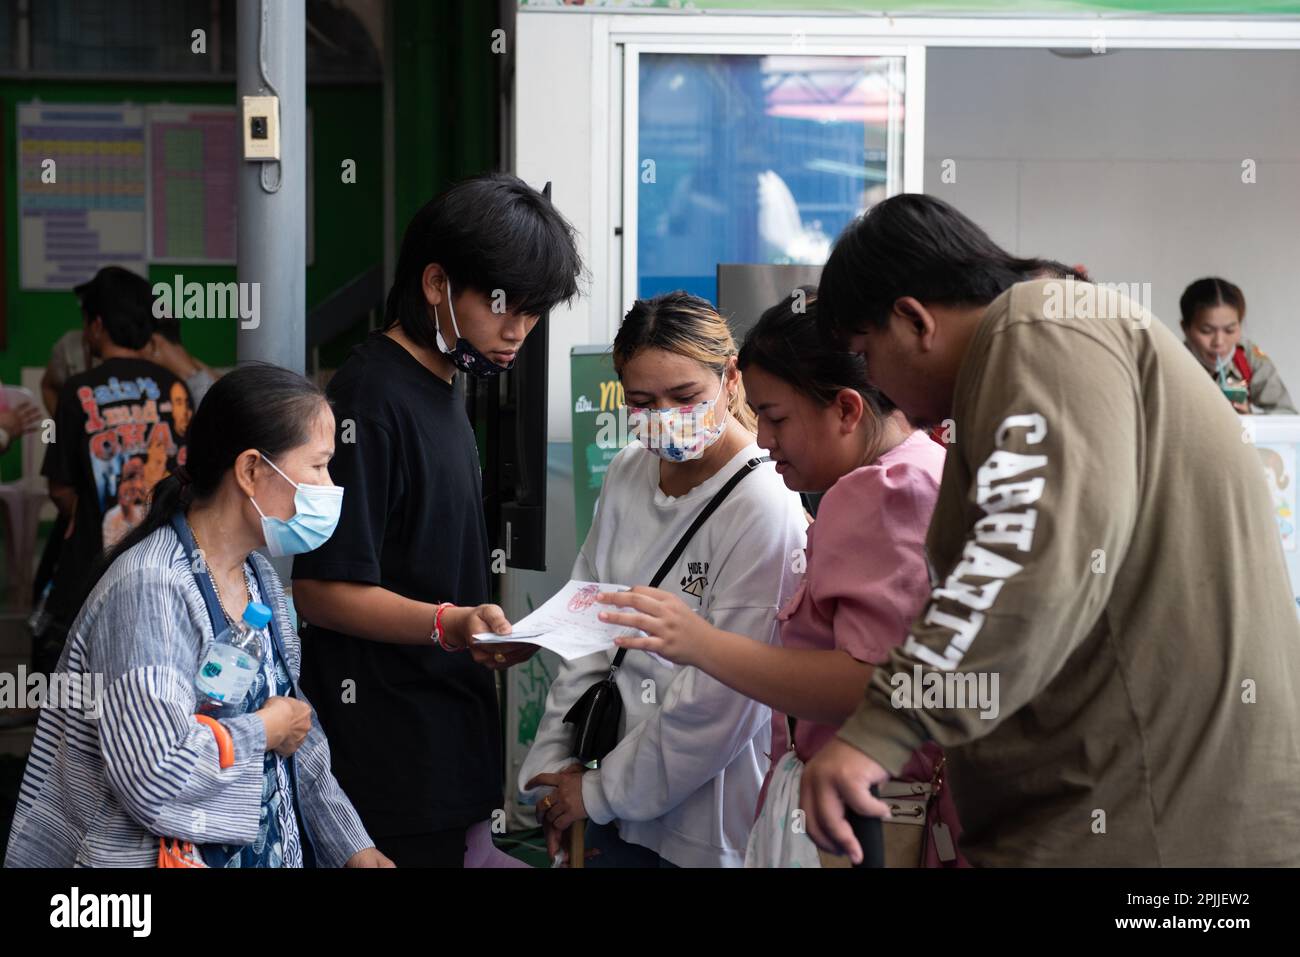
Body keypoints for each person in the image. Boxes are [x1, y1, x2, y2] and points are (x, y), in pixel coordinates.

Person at [798, 193, 1300, 866]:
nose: (875, 381)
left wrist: (881, 730)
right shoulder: (1034, 353)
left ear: (913, 319)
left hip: (1151, 832)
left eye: (865, 353)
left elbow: (1023, 558)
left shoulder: (1038, 330)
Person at [598, 290, 963, 867]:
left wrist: (701, 643)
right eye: (642, 401)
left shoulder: (883, 492)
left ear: (846, 409)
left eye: (775, 417)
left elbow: (873, 680)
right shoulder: (915, 471)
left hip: (868, 815)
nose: (764, 440)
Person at [291, 173, 583, 868]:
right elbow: (321, 590)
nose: (518, 330)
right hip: (389, 759)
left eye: (535, 312)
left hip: (445, 751)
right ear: (435, 284)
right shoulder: (371, 394)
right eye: (502, 304)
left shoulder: (447, 386)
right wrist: (447, 622)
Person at [5, 364, 390, 868]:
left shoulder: (258, 577)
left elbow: (296, 726)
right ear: (251, 470)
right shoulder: (150, 590)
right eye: (318, 467)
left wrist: (352, 846)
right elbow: (155, 777)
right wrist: (261, 731)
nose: (330, 486)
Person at [519, 292, 807, 868]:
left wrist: (598, 793)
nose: (665, 417)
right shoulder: (630, 469)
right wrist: (558, 772)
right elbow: (588, 629)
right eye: (642, 401)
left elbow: (724, 700)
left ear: (730, 379)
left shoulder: (765, 503)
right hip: (602, 798)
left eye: (685, 396)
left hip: (703, 819)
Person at [36, 266, 193, 676]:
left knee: (82, 675)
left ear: (97, 326)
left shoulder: (79, 391)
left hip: (91, 569)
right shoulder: (177, 389)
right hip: (169, 562)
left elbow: (60, 488)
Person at [1179, 276, 1296, 415]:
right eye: (1206, 331)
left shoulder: (1247, 357)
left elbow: (1286, 415)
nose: (1219, 342)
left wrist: (1249, 419)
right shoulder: (1169, 364)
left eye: (1230, 330)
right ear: (1185, 328)